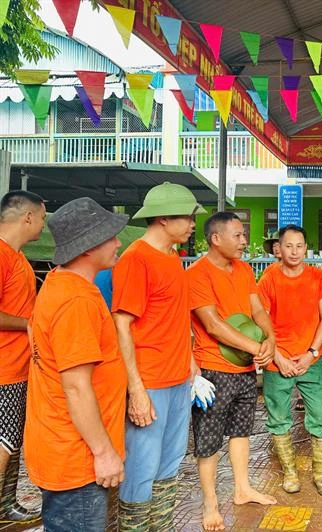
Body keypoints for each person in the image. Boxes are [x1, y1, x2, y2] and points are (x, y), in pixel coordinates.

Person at [25, 197, 129, 531]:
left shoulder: (59, 283)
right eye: (110, 236)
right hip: (76, 456)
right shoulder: (76, 300)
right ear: (87, 247)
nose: (118, 243)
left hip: (61, 445)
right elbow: (76, 386)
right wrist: (103, 452)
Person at [112, 182, 206, 530]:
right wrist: (135, 389)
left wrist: (191, 363)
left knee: (169, 465)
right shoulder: (136, 259)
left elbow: (175, 317)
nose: (193, 224)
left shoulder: (171, 258)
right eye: (188, 217)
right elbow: (122, 324)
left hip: (178, 378)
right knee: (140, 469)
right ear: (164, 218)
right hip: (149, 382)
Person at [187, 212, 278, 531]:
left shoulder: (242, 269)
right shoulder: (197, 274)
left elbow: (256, 309)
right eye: (238, 236)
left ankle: (242, 489)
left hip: (243, 368)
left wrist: (270, 337)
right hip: (213, 370)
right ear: (216, 239)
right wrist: (258, 349)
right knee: (209, 439)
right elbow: (212, 325)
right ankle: (210, 505)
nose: (244, 242)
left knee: (242, 431)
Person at [257, 225, 322, 496]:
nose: (294, 251)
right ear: (279, 248)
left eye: (299, 246)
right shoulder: (268, 278)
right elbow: (261, 320)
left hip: (310, 361)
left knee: (321, 416)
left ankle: (320, 473)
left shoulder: (317, 277)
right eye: (288, 246)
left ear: (306, 247)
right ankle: (290, 473)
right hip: (276, 362)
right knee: (278, 418)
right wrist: (278, 357)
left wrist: (311, 353)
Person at [0, 191, 45, 523]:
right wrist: (31, 324)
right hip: (4, 368)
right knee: (4, 440)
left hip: (19, 365)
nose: (44, 224)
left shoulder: (18, 257)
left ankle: (6, 506)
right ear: (27, 217)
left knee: (11, 440)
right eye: (42, 217)